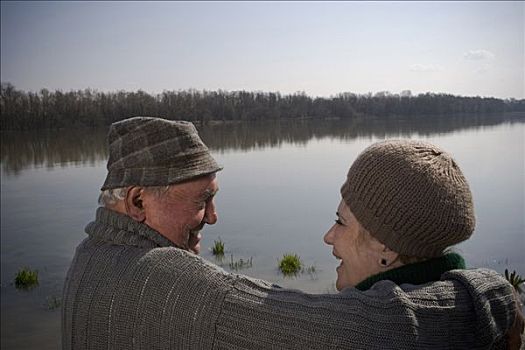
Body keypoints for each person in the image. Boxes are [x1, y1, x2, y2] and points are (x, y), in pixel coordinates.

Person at [62, 119, 521, 350]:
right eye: (201, 200)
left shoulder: (91, 256)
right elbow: (350, 332)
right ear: (138, 201)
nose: (214, 217)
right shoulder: (165, 281)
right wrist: (492, 294)